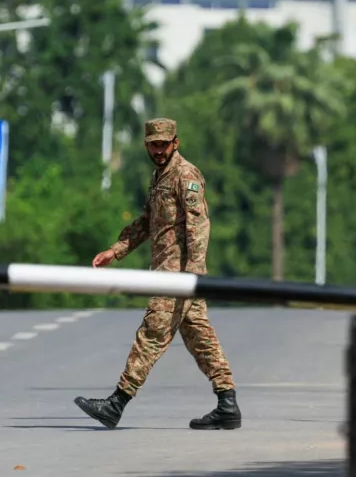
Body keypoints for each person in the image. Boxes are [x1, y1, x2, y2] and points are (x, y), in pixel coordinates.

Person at [73, 118, 241, 430]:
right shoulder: (159, 176)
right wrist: (117, 249)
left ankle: (116, 403)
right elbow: (149, 221)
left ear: (175, 142)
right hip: (172, 273)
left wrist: (192, 275)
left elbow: (199, 225)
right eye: (154, 145)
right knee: (201, 339)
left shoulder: (185, 174)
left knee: (151, 334)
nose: (159, 150)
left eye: (164, 144)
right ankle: (227, 404)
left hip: (179, 276)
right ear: (147, 145)